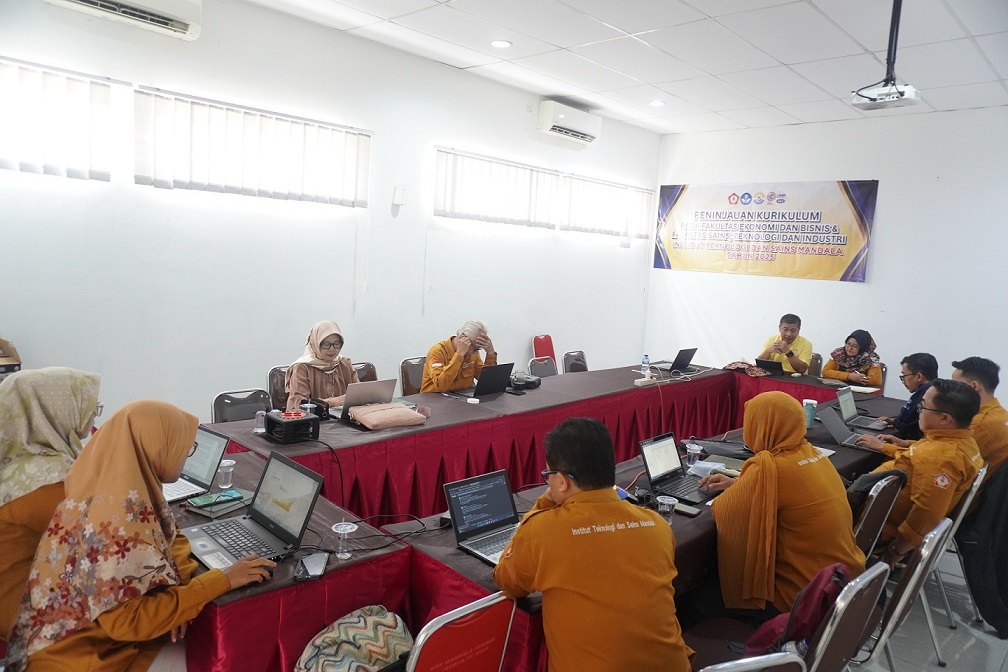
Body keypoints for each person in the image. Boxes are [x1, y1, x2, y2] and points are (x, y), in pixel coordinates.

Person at [5, 400, 275, 672]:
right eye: (187, 448)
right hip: (83, 658)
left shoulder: (111, 491)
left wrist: (180, 592)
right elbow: (126, 623)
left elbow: (168, 534)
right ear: (157, 447)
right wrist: (220, 580)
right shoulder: (116, 524)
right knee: (215, 651)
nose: (187, 455)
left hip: (62, 640)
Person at [493, 418, 693, 672]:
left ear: (562, 481)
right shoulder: (657, 525)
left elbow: (506, 580)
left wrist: (543, 504)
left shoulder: (543, 530)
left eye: (548, 476)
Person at [698, 392, 865, 615]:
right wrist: (740, 484)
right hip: (843, 585)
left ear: (763, 426)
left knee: (697, 598)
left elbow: (726, 510)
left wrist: (741, 490)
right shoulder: (813, 453)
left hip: (804, 598)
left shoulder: (769, 467)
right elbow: (786, 490)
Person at [0, 367, 101, 640]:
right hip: (22, 609)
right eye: (90, 407)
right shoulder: (46, 480)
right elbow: (101, 539)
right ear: (52, 412)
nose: (94, 414)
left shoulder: (18, 460)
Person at [857, 379, 983, 567]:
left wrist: (896, 551)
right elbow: (922, 456)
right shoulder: (964, 442)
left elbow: (927, 512)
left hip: (875, 530)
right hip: (879, 518)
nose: (918, 410)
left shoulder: (942, 459)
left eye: (923, 406)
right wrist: (898, 445)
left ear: (944, 418)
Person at [0, 367, 101, 506]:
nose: (94, 413)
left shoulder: (12, 461)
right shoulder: (54, 478)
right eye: (88, 405)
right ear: (58, 410)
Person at [951, 357, 1008, 478]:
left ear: (974, 386)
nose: (951, 392)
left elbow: (947, 457)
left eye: (956, 386)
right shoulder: (1001, 415)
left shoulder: (979, 424)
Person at [285, 320, 359, 411]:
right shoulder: (302, 367)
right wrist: (332, 402)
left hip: (345, 417)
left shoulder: (345, 363)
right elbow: (298, 405)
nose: (332, 349)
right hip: (315, 418)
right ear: (315, 343)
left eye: (336, 344)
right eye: (326, 344)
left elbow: (359, 395)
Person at [421, 320, 498, 393]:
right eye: (473, 348)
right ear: (463, 338)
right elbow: (441, 385)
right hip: (436, 397)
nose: (473, 353)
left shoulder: (474, 353)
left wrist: (490, 354)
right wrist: (459, 355)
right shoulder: (438, 351)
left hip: (461, 396)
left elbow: (486, 381)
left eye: (478, 349)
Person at [876, 353, 938, 441]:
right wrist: (894, 421)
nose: (903, 381)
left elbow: (904, 424)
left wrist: (896, 423)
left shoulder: (924, 392)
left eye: (904, 376)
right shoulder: (937, 388)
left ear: (918, 376)